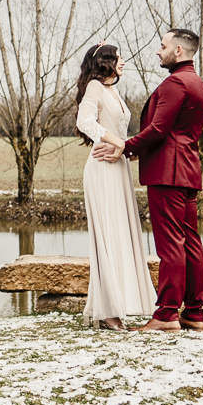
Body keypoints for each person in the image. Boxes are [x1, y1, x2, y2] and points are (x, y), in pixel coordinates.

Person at [96, 28, 203, 332]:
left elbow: (159, 129)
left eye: (163, 46)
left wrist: (125, 147)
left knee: (170, 244)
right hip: (187, 171)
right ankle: (194, 313)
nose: (158, 52)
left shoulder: (175, 83)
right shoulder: (197, 83)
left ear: (179, 52)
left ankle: (166, 314)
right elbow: (176, 132)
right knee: (191, 243)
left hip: (167, 172)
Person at [74, 43, 156, 330]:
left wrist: (126, 149)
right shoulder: (95, 87)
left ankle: (120, 305)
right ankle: (108, 312)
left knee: (122, 234)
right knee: (108, 236)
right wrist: (114, 142)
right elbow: (85, 121)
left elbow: (118, 129)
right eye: (119, 58)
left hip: (118, 168)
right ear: (106, 61)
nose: (123, 62)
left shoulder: (113, 90)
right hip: (101, 170)